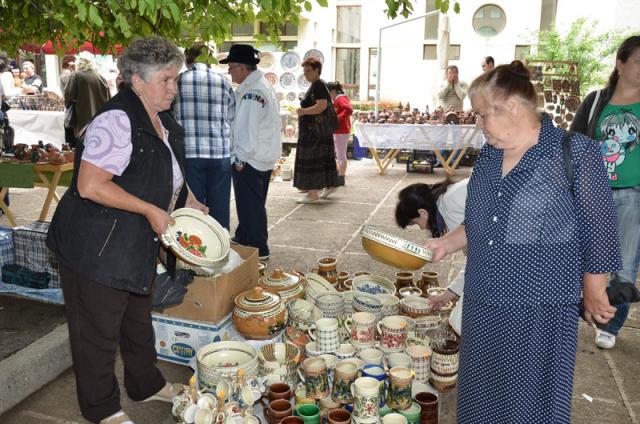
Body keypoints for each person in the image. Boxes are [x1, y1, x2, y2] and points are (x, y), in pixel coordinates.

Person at [425, 60, 621, 423]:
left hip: (539, 306)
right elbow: (484, 219)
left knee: (530, 402)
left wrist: (595, 288)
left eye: (483, 115)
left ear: (512, 107)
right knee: (481, 396)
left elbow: (599, 227)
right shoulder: (489, 157)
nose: (480, 125)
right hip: (483, 299)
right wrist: (447, 244)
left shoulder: (574, 152)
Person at [46, 36, 207, 424]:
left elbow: (164, 171)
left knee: (137, 321)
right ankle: (102, 409)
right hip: (96, 248)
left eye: (176, 79)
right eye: (166, 80)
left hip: (134, 242)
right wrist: (151, 210)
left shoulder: (161, 117)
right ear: (136, 80)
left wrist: (189, 201)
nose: (174, 88)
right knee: (96, 333)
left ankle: (145, 384)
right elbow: (90, 185)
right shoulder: (116, 120)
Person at [570, 35, 640, 349]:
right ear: (620, 64)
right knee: (576, 254)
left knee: (623, 263)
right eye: (638, 61)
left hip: (632, 194)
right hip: (589, 193)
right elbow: (571, 144)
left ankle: (610, 322)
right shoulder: (597, 100)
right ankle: (574, 309)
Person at [221, 44, 281, 261]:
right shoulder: (260, 84)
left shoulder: (252, 92)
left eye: (231, 67)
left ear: (242, 68)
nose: (229, 71)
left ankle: (258, 247)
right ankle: (245, 235)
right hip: (262, 154)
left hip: (252, 157)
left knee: (251, 205)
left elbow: (247, 129)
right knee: (253, 202)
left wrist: (239, 159)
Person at [175, 43, 236, 230]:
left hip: (189, 154)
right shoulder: (224, 82)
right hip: (219, 153)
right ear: (209, 60)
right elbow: (232, 118)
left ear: (187, 60)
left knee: (192, 210)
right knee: (220, 210)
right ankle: (221, 249)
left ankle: (196, 254)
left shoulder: (177, 82)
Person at [395, 178, 468, 306]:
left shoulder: (451, 203)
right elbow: (477, 258)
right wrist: (450, 293)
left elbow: (480, 257)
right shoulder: (447, 202)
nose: (423, 228)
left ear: (423, 212)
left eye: (416, 223)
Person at [293, 56, 340, 203]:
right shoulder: (318, 84)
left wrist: (303, 111)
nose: (305, 74)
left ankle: (312, 194)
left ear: (317, 70)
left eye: (308, 70)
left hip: (313, 133)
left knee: (311, 161)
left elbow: (321, 106)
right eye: (304, 70)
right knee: (323, 159)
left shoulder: (318, 85)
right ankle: (331, 185)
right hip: (318, 132)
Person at [64, 52, 111, 147]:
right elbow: (109, 99)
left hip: (82, 121)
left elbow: (68, 96)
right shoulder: (101, 77)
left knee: (81, 151)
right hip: (100, 122)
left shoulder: (76, 76)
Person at [327, 81, 353, 187]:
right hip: (339, 130)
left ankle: (341, 178)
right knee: (340, 154)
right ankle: (340, 176)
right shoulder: (339, 98)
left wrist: (337, 118)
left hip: (341, 130)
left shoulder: (340, 98)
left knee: (341, 155)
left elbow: (349, 109)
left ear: (332, 91)